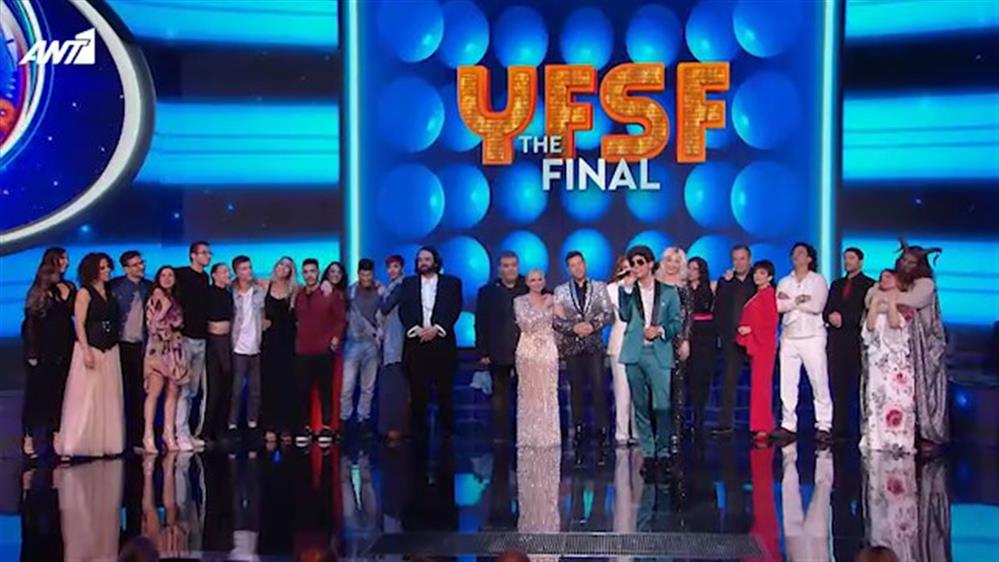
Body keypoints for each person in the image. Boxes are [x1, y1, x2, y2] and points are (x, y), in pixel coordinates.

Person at [617, 245, 682, 479]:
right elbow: (624, 316)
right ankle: (649, 453)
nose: (636, 268)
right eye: (633, 264)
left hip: (658, 353)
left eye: (640, 263)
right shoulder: (628, 290)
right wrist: (626, 290)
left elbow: (677, 323)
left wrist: (661, 330)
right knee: (641, 405)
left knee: (662, 405)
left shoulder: (668, 292)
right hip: (634, 353)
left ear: (651, 264)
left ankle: (663, 452)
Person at [57, 252, 124, 458]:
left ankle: (107, 442)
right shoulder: (84, 293)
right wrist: (86, 350)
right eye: (102, 268)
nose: (107, 271)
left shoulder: (110, 292)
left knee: (108, 397)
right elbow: (79, 323)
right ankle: (76, 443)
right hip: (91, 348)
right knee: (87, 397)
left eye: (108, 267)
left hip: (110, 348)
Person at [398, 246, 463, 439]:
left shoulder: (451, 283)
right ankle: (419, 435)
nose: (423, 263)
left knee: (445, 392)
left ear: (435, 261)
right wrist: (416, 329)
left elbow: (454, 308)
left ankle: (447, 434)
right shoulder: (408, 284)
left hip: (442, 343)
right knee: (418, 393)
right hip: (417, 343)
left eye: (427, 259)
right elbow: (403, 310)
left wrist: (437, 328)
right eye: (420, 260)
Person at [772, 243, 833, 445]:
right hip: (789, 337)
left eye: (801, 253)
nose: (796, 256)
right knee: (788, 383)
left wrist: (791, 301)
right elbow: (778, 306)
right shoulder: (784, 281)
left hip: (813, 336)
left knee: (819, 381)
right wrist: (798, 300)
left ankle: (824, 424)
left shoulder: (818, 280)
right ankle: (788, 424)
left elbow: (817, 306)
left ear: (809, 258)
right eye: (794, 253)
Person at [553, 251, 614, 456]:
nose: (577, 268)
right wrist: (574, 328)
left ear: (585, 264)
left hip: (594, 345)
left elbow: (608, 313)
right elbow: (556, 321)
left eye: (579, 263)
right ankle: (579, 429)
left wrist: (592, 325)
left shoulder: (600, 287)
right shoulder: (561, 291)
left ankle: (602, 429)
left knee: (598, 387)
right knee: (576, 389)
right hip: (572, 347)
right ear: (568, 269)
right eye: (573, 265)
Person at [894, 240, 948, 450]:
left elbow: (914, 300)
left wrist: (889, 296)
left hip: (925, 344)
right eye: (904, 261)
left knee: (925, 387)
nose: (906, 266)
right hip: (903, 343)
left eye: (911, 263)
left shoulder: (925, 284)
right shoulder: (898, 281)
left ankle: (927, 434)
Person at [475, 251, 528, 442]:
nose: (510, 269)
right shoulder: (487, 292)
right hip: (498, 352)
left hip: (526, 351)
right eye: (506, 266)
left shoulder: (529, 287)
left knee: (526, 395)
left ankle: (525, 433)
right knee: (500, 397)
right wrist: (483, 351)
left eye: (513, 265)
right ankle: (501, 436)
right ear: (499, 269)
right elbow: (481, 323)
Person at [860, 270, 914, 455]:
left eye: (889, 277)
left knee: (896, 397)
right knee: (877, 396)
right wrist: (875, 302)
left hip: (895, 360)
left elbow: (895, 323)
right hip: (878, 358)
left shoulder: (903, 301)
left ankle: (897, 439)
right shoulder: (875, 297)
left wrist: (891, 300)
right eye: (882, 277)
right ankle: (877, 439)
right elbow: (870, 326)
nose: (884, 279)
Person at [823, 247, 875, 440]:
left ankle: (861, 428)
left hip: (856, 340)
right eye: (845, 258)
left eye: (851, 258)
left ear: (860, 262)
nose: (847, 262)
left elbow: (866, 312)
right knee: (837, 385)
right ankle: (838, 427)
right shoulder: (836, 284)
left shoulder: (869, 285)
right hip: (836, 341)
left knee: (857, 386)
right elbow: (826, 308)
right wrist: (830, 316)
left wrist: (845, 319)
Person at [21, 264, 72, 459]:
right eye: (55, 273)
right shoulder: (36, 295)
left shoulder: (59, 293)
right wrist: (32, 353)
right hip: (42, 353)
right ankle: (29, 436)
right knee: (36, 397)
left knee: (57, 396)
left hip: (60, 350)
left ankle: (56, 435)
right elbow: (30, 326)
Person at [296, 258, 346, 446]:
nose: (309, 275)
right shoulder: (299, 294)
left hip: (323, 349)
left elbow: (340, 319)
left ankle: (326, 426)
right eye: (306, 272)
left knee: (325, 389)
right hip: (302, 349)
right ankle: (305, 426)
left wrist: (335, 338)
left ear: (318, 272)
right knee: (303, 389)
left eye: (312, 271)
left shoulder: (329, 293)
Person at [109, 250, 153, 453]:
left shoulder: (149, 287)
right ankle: (118, 436)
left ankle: (137, 437)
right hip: (120, 345)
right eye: (135, 265)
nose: (141, 267)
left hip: (142, 346)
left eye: (141, 263)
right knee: (119, 391)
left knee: (138, 391)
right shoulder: (115, 287)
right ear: (126, 268)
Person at [142, 266, 189, 453]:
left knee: (173, 392)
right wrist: (165, 305)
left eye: (171, 275)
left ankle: (168, 433)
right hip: (159, 348)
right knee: (154, 392)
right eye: (163, 275)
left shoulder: (174, 298)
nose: (167, 278)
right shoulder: (157, 296)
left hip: (175, 349)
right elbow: (154, 324)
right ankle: (148, 435)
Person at [513, 269, 561, 448]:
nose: (537, 283)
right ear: (527, 282)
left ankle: (548, 436)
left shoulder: (551, 298)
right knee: (529, 393)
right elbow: (526, 324)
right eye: (532, 280)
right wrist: (544, 306)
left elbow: (562, 320)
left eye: (540, 279)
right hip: (528, 351)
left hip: (548, 350)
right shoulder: (519, 301)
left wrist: (555, 305)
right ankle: (529, 436)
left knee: (548, 392)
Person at [712, 245, 756, 436]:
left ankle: (762, 425)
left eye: (742, 258)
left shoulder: (758, 279)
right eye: (735, 259)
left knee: (760, 382)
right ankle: (725, 423)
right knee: (729, 380)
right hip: (731, 338)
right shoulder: (726, 281)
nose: (739, 263)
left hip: (754, 337)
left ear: (750, 259)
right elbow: (719, 309)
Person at [34, 248, 76, 449]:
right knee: (44, 392)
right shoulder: (40, 289)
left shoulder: (70, 286)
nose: (66, 262)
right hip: (47, 346)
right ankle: (35, 435)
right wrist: (33, 351)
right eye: (62, 258)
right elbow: (32, 322)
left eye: (67, 258)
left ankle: (59, 433)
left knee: (64, 391)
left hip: (68, 342)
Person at [175, 241, 212, 451]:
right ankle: (179, 433)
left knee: (193, 389)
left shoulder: (205, 277)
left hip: (201, 338)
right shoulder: (181, 274)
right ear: (193, 255)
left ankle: (187, 430)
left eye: (209, 253)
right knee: (183, 387)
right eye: (204, 253)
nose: (208, 256)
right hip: (185, 338)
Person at [736, 260, 779, 444]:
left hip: (764, 345)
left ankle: (763, 426)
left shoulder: (768, 295)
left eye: (762, 273)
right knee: (759, 385)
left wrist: (751, 330)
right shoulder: (759, 294)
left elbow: (770, 323)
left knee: (762, 386)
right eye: (756, 273)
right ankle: (761, 424)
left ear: (769, 277)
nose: (757, 276)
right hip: (759, 345)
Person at [342, 258, 384, 433]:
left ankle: (363, 419)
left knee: (368, 386)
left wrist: (379, 335)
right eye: (363, 274)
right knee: (347, 385)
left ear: (373, 274)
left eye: (369, 275)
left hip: (372, 343)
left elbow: (384, 315)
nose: (366, 278)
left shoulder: (380, 291)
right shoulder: (350, 292)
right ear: (358, 274)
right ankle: (344, 418)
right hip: (352, 342)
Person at [658, 247, 693, 451]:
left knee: (677, 386)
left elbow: (688, 316)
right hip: (657, 341)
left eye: (676, 261)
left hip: (677, 341)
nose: (672, 264)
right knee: (658, 387)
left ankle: (675, 432)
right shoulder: (655, 286)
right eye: (669, 260)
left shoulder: (684, 288)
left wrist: (685, 340)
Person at [227, 256, 266, 434]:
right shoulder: (231, 292)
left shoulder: (259, 290)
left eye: (249, 267)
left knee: (255, 389)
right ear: (236, 272)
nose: (248, 271)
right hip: (238, 346)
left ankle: (252, 422)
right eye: (244, 268)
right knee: (236, 389)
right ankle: (232, 423)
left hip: (255, 346)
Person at [261, 257, 298, 443]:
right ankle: (269, 426)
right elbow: (240, 283)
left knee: (287, 385)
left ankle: (285, 427)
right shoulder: (265, 284)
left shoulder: (295, 290)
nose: (283, 268)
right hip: (269, 342)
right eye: (281, 264)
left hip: (288, 343)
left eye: (288, 266)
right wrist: (260, 320)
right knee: (268, 384)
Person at [378, 255, 409, 441]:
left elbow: (385, 307)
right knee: (389, 386)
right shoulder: (389, 287)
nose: (392, 270)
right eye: (389, 267)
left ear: (401, 268)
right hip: (389, 342)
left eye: (395, 267)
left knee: (397, 386)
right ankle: (389, 426)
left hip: (397, 342)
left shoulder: (401, 286)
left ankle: (397, 426)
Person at [203, 263, 234, 443]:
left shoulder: (228, 294)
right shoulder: (208, 293)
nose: (227, 274)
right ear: (214, 275)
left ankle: (221, 429)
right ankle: (207, 430)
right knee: (214, 389)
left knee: (227, 387)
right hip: (214, 343)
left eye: (228, 272)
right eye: (223, 272)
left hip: (227, 342)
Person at [606, 256, 635, 447]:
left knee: (639, 393)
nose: (628, 272)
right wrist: (625, 285)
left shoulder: (642, 288)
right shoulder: (612, 289)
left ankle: (639, 433)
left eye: (630, 267)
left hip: (640, 344)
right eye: (624, 268)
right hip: (619, 343)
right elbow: (623, 313)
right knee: (622, 391)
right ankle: (622, 434)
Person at [685, 256, 716, 437]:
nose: (691, 272)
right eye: (689, 268)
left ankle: (699, 417)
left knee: (703, 377)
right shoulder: (683, 289)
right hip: (689, 333)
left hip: (706, 335)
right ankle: (686, 418)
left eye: (695, 269)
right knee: (689, 377)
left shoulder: (711, 287)